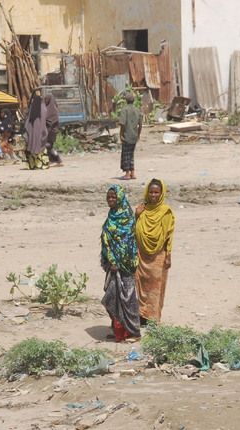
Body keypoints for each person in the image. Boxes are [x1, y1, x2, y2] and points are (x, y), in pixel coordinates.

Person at [101, 185, 141, 342]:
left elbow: (128, 244)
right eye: (109, 197)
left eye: (114, 197)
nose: (110, 200)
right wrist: (110, 260)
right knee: (113, 297)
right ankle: (119, 330)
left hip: (125, 266)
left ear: (120, 198)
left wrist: (118, 261)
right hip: (112, 266)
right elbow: (107, 241)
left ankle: (133, 331)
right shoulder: (111, 216)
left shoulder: (128, 218)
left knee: (127, 298)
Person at [134, 178, 175, 324]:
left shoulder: (166, 212)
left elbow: (169, 235)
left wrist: (168, 255)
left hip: (158, 256)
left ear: (161, 193)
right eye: (151, 192)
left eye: (156, 192)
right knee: (140, 285)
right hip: (140, 254)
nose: (153, 195)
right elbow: (131, 230)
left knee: (156, 288)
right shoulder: (141, 210)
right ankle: (141, 315)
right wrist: (136, 216)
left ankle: (153, 318)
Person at [118, 92, 142, 180]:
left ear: (126, 100)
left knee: (126, 155)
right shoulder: (137, 110)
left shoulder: (125, 110)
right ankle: (133, 173)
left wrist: (121, 134)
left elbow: (122, 124)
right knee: (131, 155)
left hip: (127, 135)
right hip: (134, 136)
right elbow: (140, 124)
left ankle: (127, 174)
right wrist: (138, 134)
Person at [43, 93, 63, 167]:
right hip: (50, 132)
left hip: (51, 132)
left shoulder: (52, 112)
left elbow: (50, 122)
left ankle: (56, 160)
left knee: (48, 146)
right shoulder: (50, 109)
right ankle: (55, 160)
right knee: (49, 146)